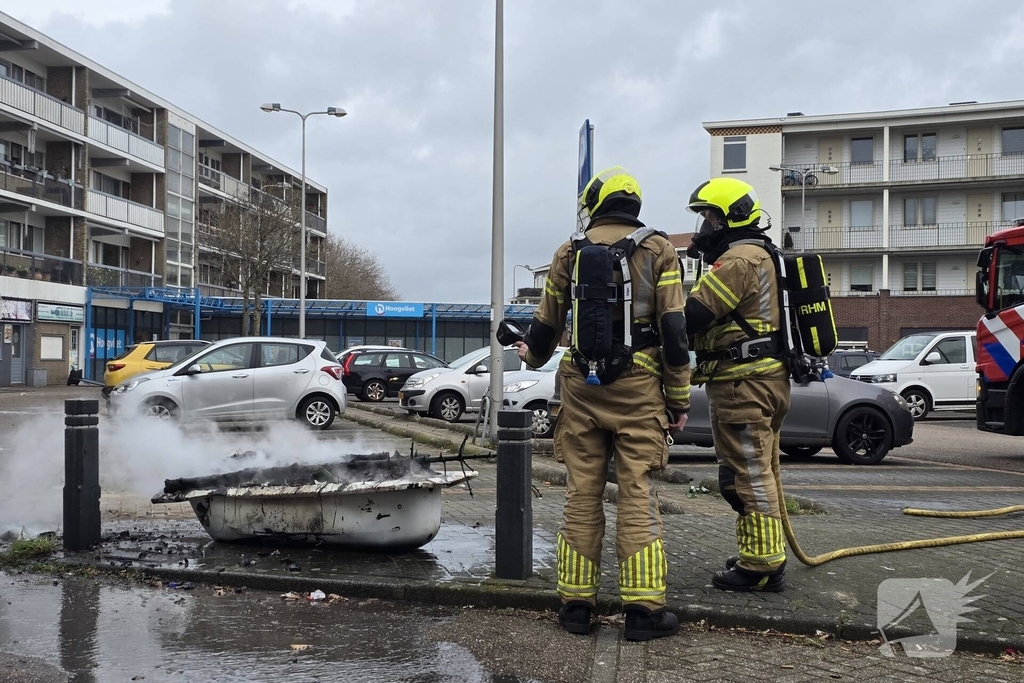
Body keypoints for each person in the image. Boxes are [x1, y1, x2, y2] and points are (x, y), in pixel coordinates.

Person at [515, 167, 691, 641]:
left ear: (596, 203)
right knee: (637, 493)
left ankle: (575, 608)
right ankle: (643, 613)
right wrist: (677, 397)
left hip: (580, 385)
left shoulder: (569, 251)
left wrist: (529, 355)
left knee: (581, 493)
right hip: (640, 386)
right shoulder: (659, 251)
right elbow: (674, 332)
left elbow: (546, 329)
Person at [683, 177, 792, 592]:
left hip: (742, 384)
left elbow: (694, 314)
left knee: (744, 475)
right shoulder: (762, 254)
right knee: (761, 471)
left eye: (709, 218)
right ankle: (761, 550)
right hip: (764, 378)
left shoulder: (739, 260)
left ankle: (762, 565)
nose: (703, 227)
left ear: (728, 219)